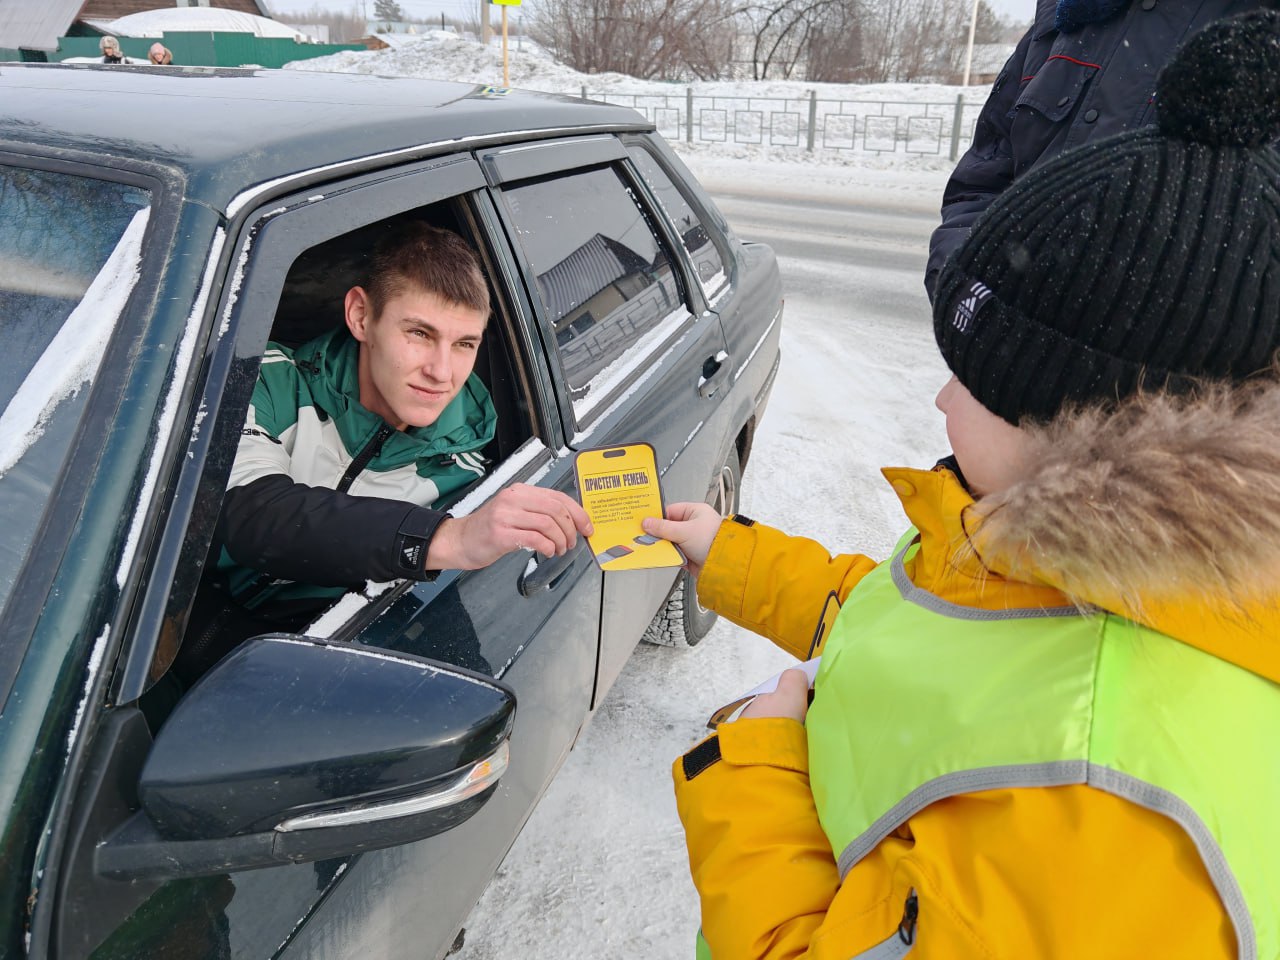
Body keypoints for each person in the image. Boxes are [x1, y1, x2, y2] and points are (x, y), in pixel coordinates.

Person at [650, 12, 1280, 959]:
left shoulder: (1099, 797)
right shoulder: (1074, 571)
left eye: (973, 377)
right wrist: (727, 552)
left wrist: (752, 774)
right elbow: (913, 638)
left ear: (1076, 427)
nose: (943, 396)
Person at [178, 222, 591, 679]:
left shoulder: (466, 472)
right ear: (360, 316)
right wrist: (445, 539)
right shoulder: (270, 380)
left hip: (298, 659)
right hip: (174, 612)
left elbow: (436, 629)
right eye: (419, 334)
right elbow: (248, 510)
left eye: (464, 344)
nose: (441, 372)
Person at [924, 0, 1274, 300]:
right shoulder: (1066, 15)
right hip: (1013, 365)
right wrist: (974, 316)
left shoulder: (1262, 29)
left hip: (1182, 374)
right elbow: (980, 189)